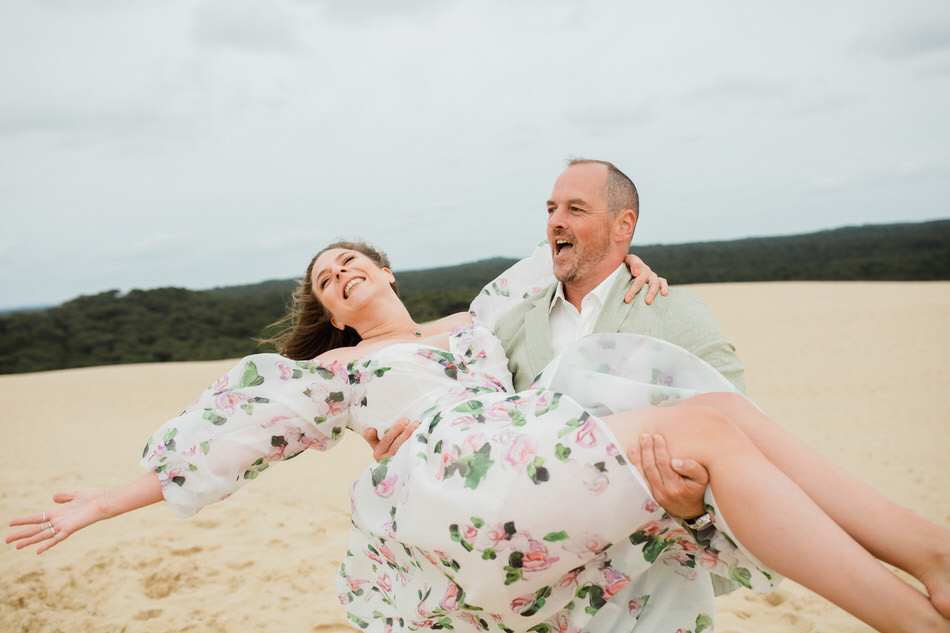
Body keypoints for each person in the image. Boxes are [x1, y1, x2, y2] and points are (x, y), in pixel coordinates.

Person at [8, 241, 950, 633]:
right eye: (326, 282)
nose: (339, 276)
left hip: (519, 453)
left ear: (383, 267)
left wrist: (629, 258)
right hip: (455, 482)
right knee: (709, 430)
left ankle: (932, 568)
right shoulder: (340, 373)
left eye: (348, 262)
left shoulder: (476, 323)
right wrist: (103, 501)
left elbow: (564, 264)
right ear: (335, 316)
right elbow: (231, 434)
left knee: (722, 425)